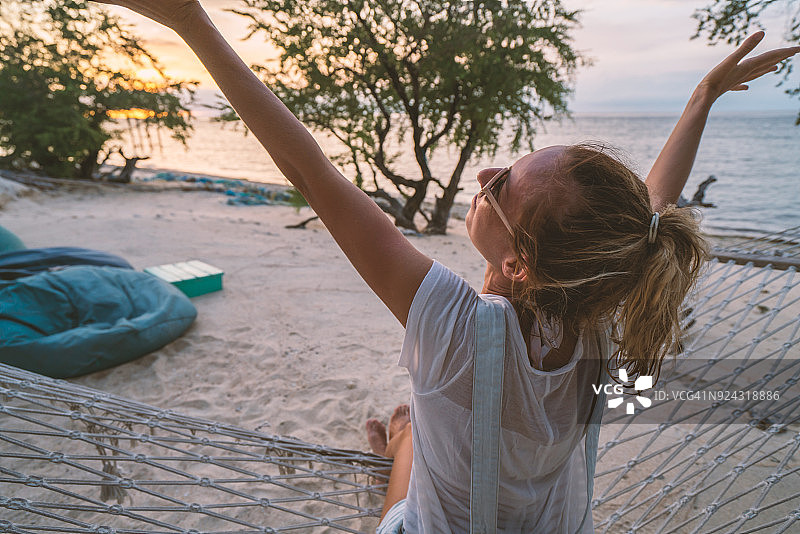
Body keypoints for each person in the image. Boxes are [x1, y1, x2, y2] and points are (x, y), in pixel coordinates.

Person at [89, 2, 800, 532]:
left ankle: (399, 439)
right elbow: (648, 212)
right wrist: (700, 100)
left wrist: (192, 25)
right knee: (416, 428)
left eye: (501, 185)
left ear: (518, 264)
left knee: (406, 486)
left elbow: (311, 170)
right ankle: (402, 432)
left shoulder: (454, 325)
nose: (485, 173)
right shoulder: (601, 306)